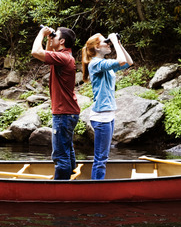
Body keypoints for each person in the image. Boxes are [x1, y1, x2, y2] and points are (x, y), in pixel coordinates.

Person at [81, 32, 133, 180]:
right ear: (97, 47)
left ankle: (97, 185)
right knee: (101, 158)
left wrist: (120, 45)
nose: (109, 43)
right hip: (101, 116)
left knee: (104, 156)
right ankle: (96, 189)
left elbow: (128, 62)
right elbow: (121, 61)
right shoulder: (96, 64)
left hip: (108, 114)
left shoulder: (105, 65)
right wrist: (115, 42)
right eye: (106, 42)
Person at [31, 25, 79, 180]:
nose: (52, 37)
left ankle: (60, 188)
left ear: (62, 41)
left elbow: (36, 52)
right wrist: (49, 39)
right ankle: (71, 183)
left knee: (60, 155)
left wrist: (41, 33)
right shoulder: (64, 56)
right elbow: (47, 56)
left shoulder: (64, 58)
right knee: (67, 150)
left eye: (55, 35)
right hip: (68, 112)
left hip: (63, 113)